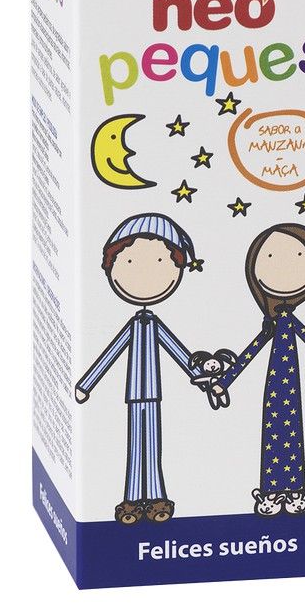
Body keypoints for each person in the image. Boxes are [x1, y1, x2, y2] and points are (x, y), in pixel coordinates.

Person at [75, 213, 222, 524]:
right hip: (134, 396)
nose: (145, 275)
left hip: (153, 395)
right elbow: (110, 355)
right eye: (129, 263)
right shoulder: (134, 325)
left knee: (151, 447)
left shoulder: (155, 325)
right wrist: (86, 384)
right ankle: (131, 500)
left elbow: (180, 353)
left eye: (160, 263)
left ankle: (156, 498)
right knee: (135, 448)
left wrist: (201, 378)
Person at [219, 223, 305, 517]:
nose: (284, 266)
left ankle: (294, 488)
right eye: (269, 258)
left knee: (293, 435)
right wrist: (225, 381)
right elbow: (250, 352)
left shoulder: (290, 322)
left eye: (300, 257)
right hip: (275, 389)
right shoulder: (272, 324)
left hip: (292, 390)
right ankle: (270, 490)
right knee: (272, 436)